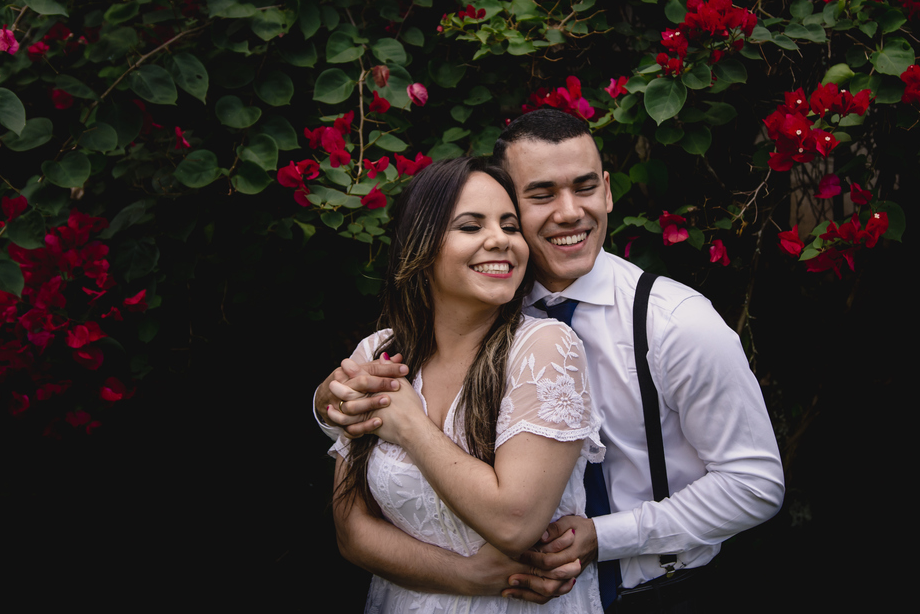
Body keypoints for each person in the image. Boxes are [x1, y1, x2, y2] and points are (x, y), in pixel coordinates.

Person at [317, 109, 784, 611]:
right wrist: (328, 400)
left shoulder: (674, 322)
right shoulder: (486, 301)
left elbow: (755, 483)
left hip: (650, 591)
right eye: (541, 195)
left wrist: (604, 536)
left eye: (584, 188)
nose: (569, 212)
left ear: (607, 190)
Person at [329, 156, 605, 613]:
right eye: (470, 226)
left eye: (510, 225)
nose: (500, 240)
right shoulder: (379, 355)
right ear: (422, 246)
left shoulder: (544, 349)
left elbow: (515, 521)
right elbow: (351, 531)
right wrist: (466, 576)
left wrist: (412, 427)